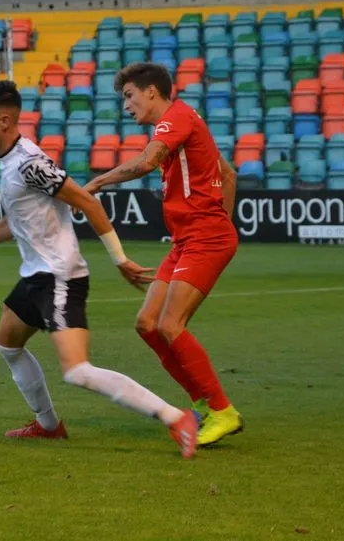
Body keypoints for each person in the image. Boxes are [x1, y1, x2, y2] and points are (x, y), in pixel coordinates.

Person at [0, 81, 198, 459]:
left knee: (77, 370)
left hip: (58, 276)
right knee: (6, 344)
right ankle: (49, 426)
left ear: (4, 120)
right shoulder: (10, 162)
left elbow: (86, 200)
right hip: (35, 275)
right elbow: (12, 225)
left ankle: (176, 418)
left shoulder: (29, 164)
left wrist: (120, 259)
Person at [82, 62, 243, 446]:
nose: (126, 106)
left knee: (170, 325)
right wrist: (222, 220)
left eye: (129, 96)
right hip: (188, 238)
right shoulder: (184, 122)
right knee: (147, 324)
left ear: (151, 91)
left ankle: (222, 411)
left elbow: (146, 162)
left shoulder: (176, 119)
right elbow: (230, 173)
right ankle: (204, 402)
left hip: (204, 237)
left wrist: (96, 183)